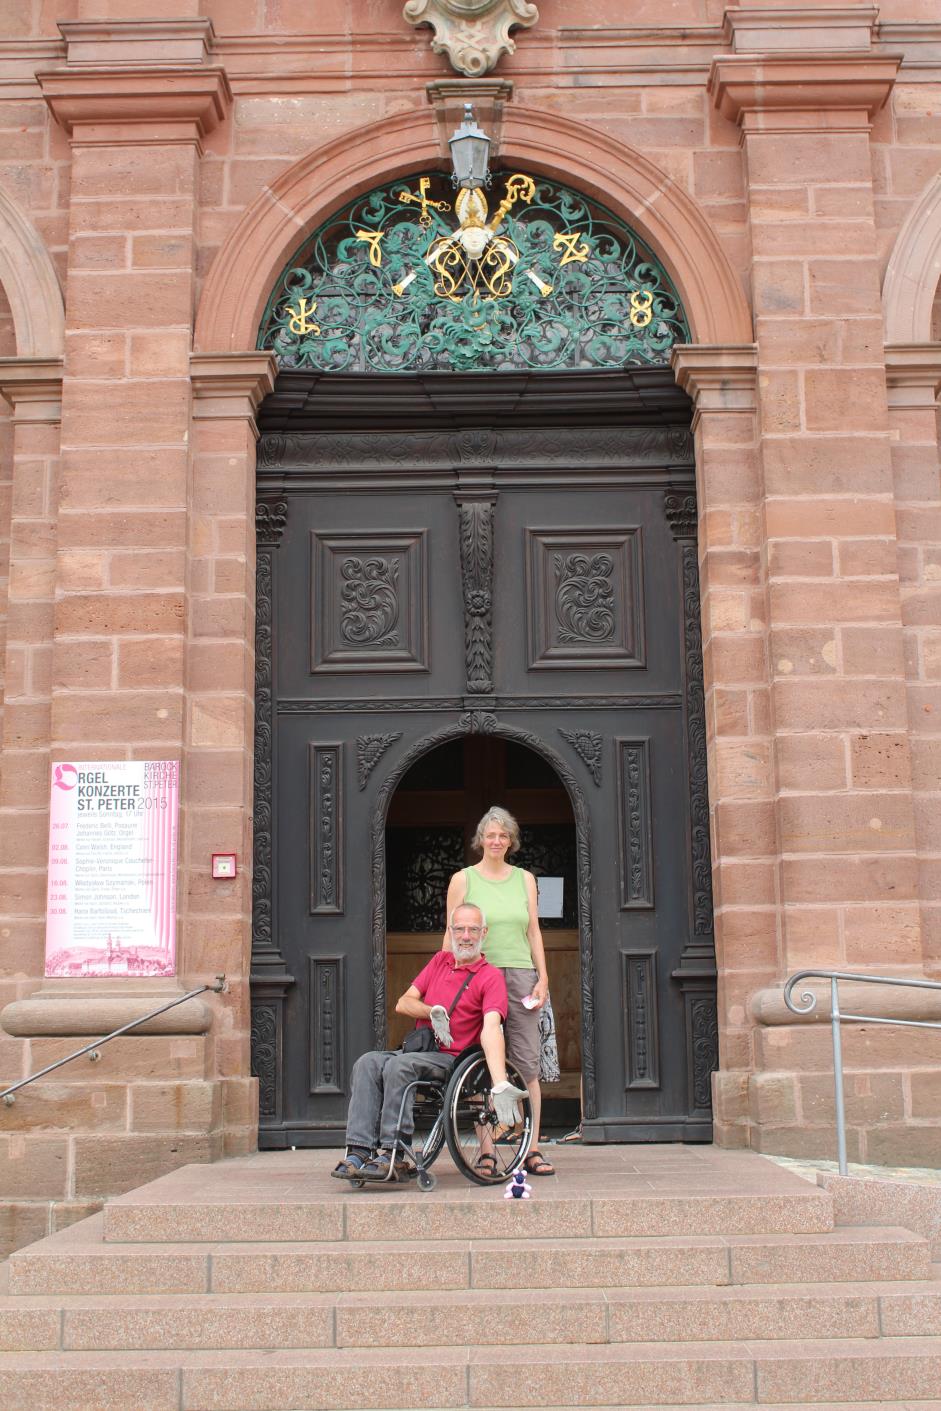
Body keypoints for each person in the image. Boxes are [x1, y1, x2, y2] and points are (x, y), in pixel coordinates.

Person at [332, 902, 526, 1181]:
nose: (466, 936)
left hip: (454, 1059)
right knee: (368, 1062)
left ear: (484, 932)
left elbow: (492, 1027)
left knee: (399, 1068)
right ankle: (359, 1151)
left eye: (473, 929)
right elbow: (403, 1003)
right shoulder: (439, 962)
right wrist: (431, 1011)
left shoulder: (490, 976)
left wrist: (499, 1083)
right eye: (459, 929)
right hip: (422, 1050)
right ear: (450, 931)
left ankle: (393, 1153)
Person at [443, 805, 556, 1178]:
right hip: (477, 975)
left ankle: (533, 1147)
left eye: (503, 835)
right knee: (478, 1063)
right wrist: (446, 978)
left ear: (511, 841)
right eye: (490, 835)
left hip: (521, 975)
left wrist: (543, 977)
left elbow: (533, 930)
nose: (496, 841)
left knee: (527, 1064)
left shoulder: (524, 878)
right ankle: (487, 1150)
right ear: (481, 839)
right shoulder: (463, 879)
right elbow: (452, 932)